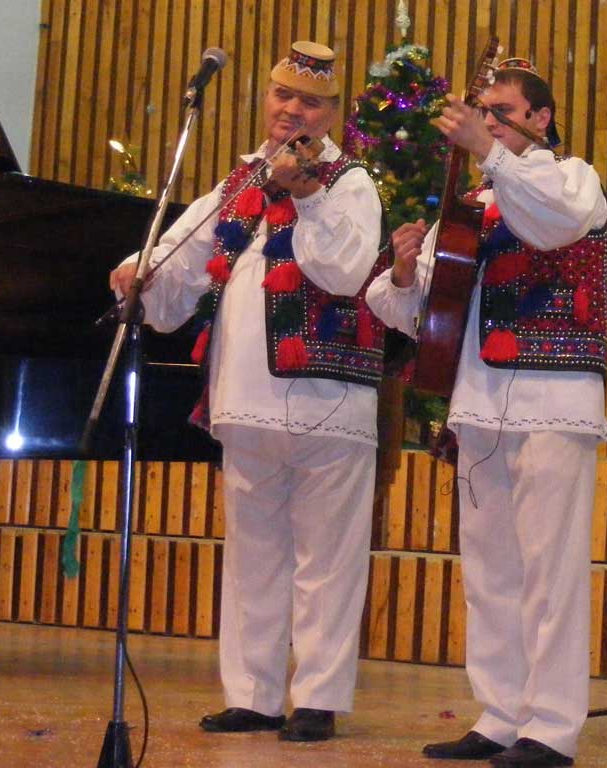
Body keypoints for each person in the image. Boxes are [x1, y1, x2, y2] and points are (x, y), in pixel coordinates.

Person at [109, 41, 385, 742]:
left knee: (327, 560)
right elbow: (182, 256)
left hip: (328, 401)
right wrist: (136, 270)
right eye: (283, 97)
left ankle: (318, 697)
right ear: (267, 100)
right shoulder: (237, 183)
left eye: (310, 102)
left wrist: (309, 194)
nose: (293, 110)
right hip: (245, 397)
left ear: (331, 115)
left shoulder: (351, 181)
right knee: (254, 554)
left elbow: (345, 270)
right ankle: (255, 694)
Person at [366, 58, 607, 768]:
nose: (490, 122)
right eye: (484, 113)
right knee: (491, 571)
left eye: (503, 112)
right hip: (481, 401)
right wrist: (407, 270)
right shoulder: (475, 206)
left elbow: (553, 224)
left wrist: (488, 150)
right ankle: (500, 714)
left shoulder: (573, 178)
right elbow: (420, 316)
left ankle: (553, 726)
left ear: (541, 118)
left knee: (549, 570)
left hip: (554, 398)